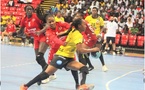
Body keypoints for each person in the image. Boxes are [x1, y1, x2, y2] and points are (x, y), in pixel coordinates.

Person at [20, 18, 100, 90]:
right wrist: (94, 49)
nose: (86, 26)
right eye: (84, 24)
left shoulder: (74, 31)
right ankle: (25, 86)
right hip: (61, 56)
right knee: (46, 74)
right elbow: (80, 50)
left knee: (84, 68)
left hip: (69, 57)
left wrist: (59, 34)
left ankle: (82, 86)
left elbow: (67, 33)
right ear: (79, 26)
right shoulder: (77, 35)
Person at [35, 14, 80, 89]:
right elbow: (55, 40)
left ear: (55, 20)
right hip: (55, 50)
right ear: (47, 23)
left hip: (67, 49)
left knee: (73, 66)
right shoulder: (48, 32)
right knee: (48, 67)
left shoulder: (60, 23)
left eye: (53, 21)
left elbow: (69, 27)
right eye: (49, 22)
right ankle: (41, 78)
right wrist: (62, 43)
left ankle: (77, 84)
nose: (52, 23)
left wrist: (67, 32)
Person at [17, 5, 48, 71]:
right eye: (28, 9)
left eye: (30, 9)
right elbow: (21, 31)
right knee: (37, 58)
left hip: (42, 36)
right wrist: (15, 33)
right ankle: (49, 71)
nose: (29, 11)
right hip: (35, 38)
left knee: (40, 56)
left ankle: (47, 73)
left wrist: (40, 31)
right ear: (25, 11)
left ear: (33, 10)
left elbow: (47, 25)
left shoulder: (36, 16)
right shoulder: (24, 19)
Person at [85, 7, 108, 71]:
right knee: (86, 52)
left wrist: (100, 33)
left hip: (97, 37)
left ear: (97, 12)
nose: (94, 12)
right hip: (89, 37)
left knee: (98, 50)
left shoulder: (100, 19)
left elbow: (102, 27)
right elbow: (85, 26)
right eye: (93, 10)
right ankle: (90, 65)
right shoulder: (88, 18)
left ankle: (103, 65)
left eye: (95, 11)